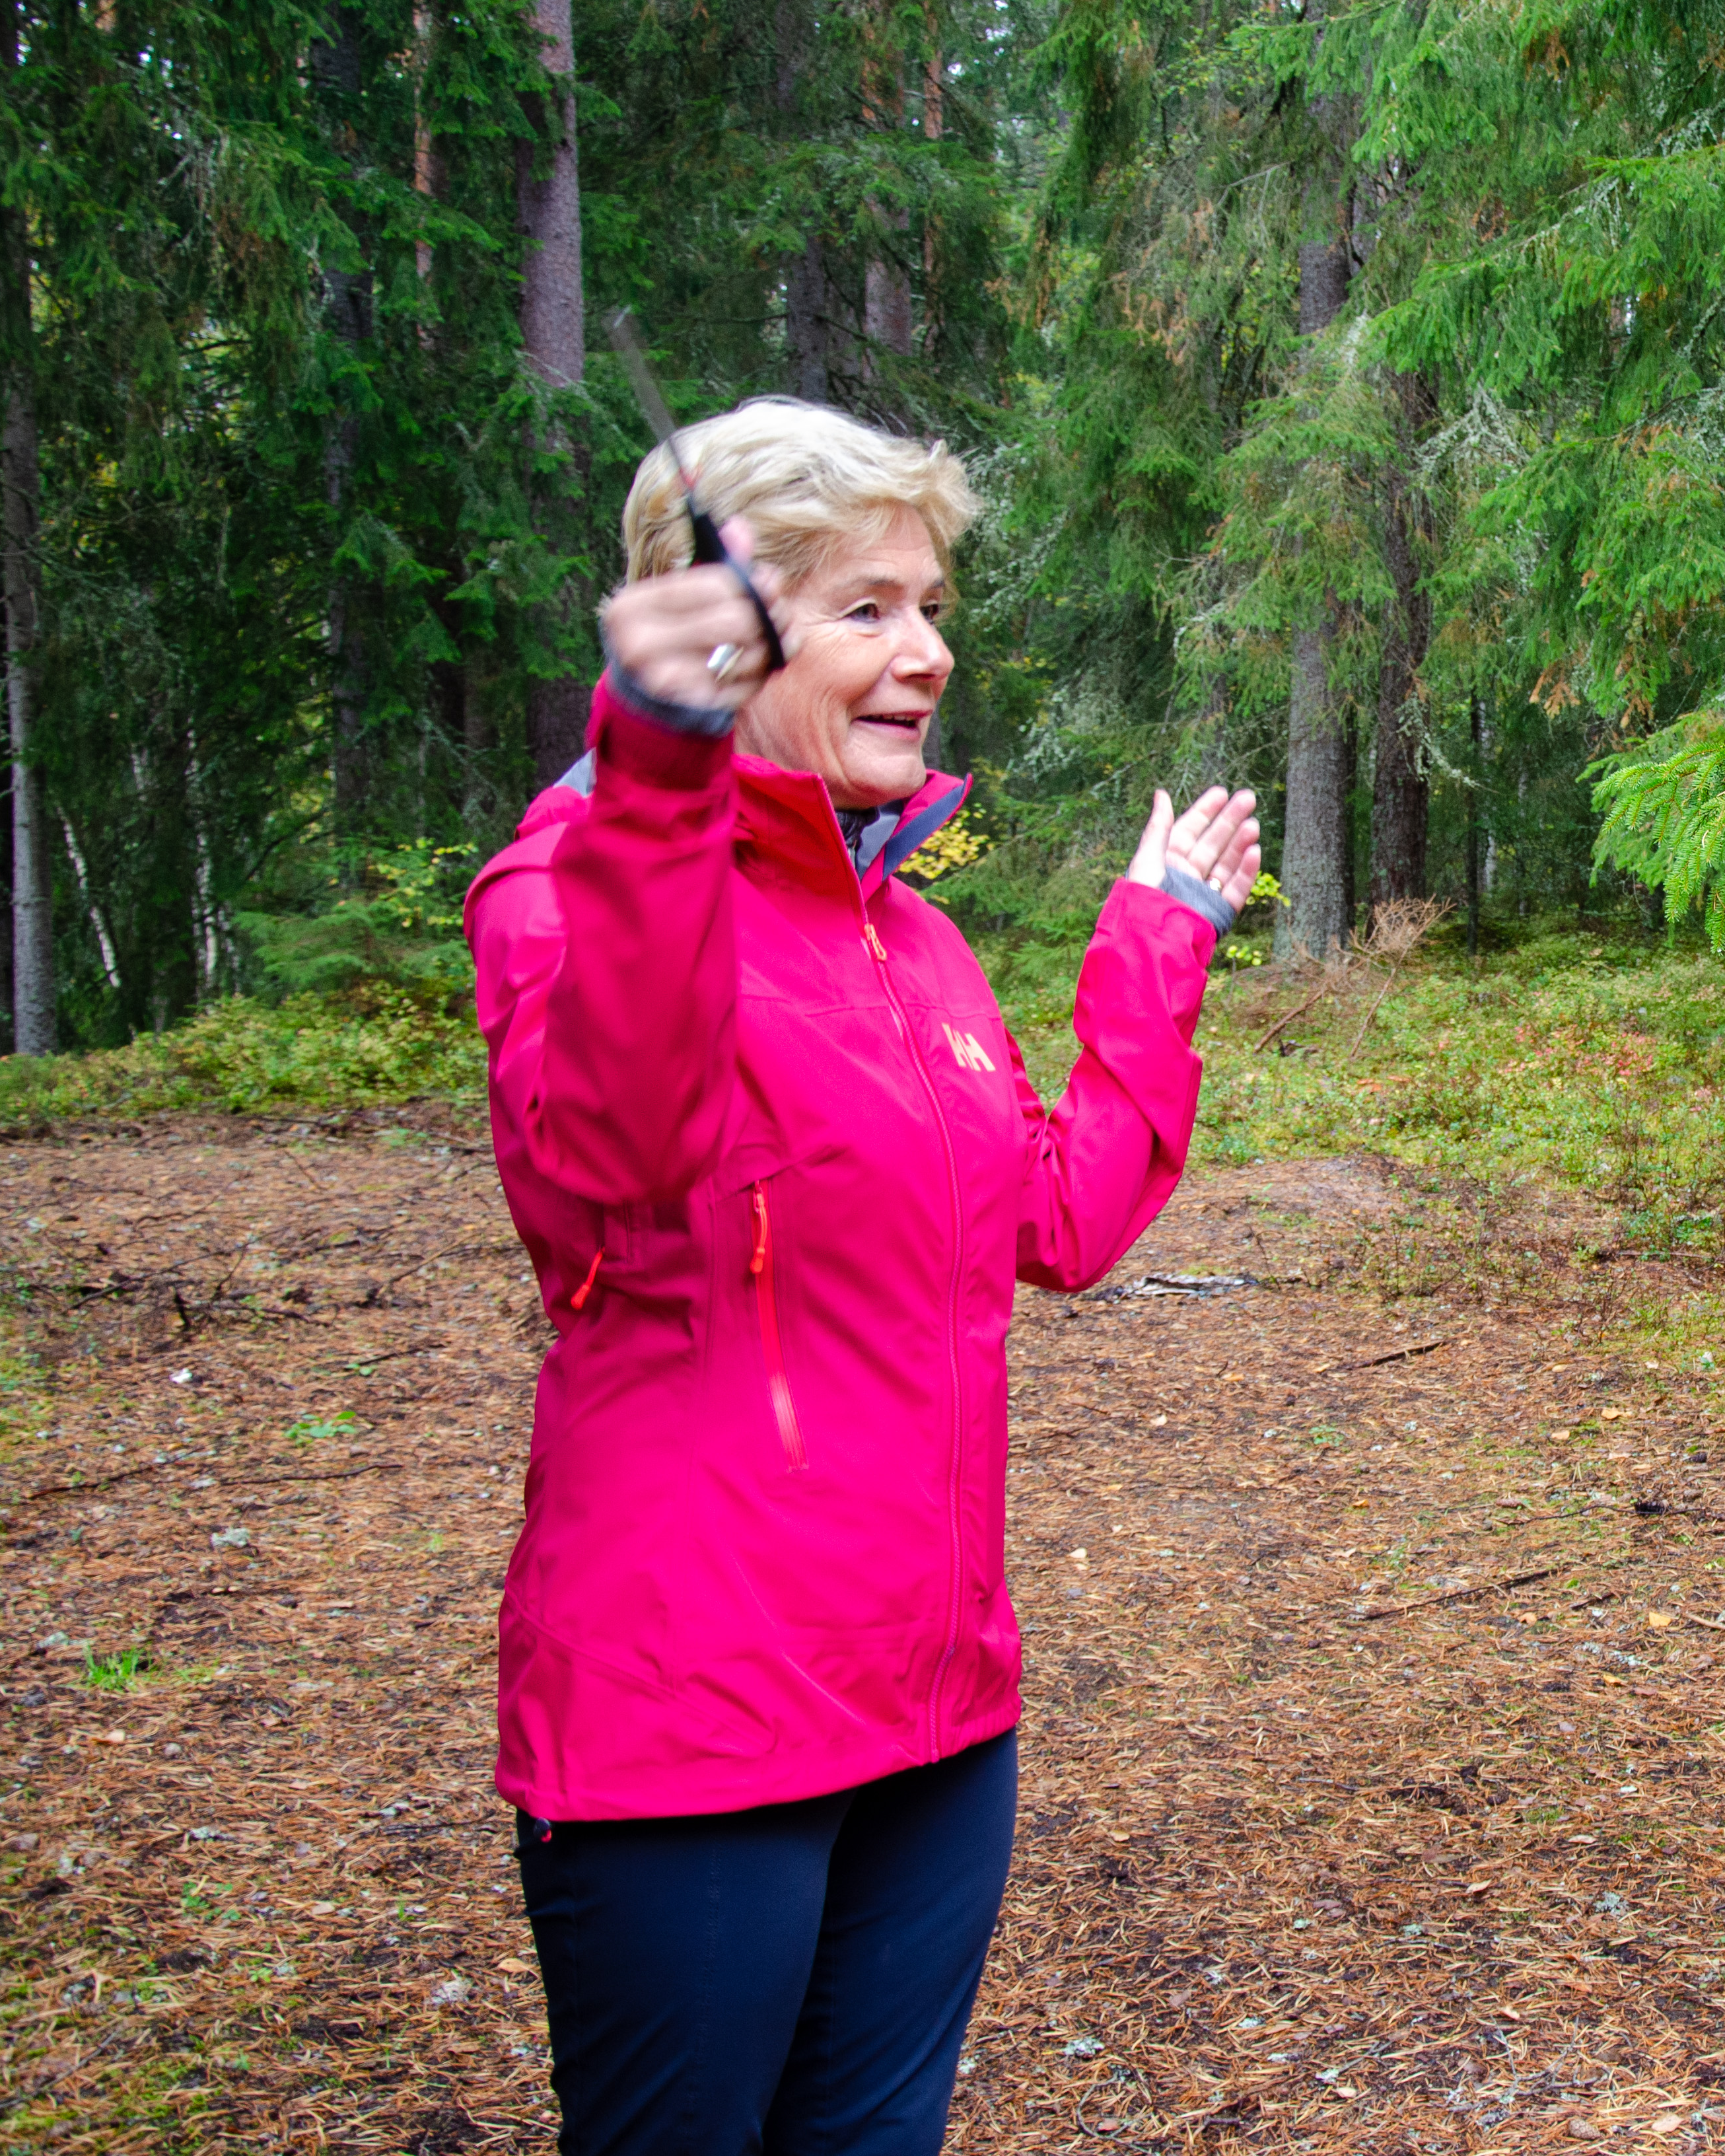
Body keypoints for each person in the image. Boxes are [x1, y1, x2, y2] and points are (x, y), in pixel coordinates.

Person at [462, 396, 1259, 2155]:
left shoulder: (908, 928)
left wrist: (1158, 940)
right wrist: (659, 776)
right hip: (699, 1743)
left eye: (931, 603)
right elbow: (613, 1156)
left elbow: (1057, 1221)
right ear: (725, 635)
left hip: (938, 1724)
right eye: (870, 610)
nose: (932, 650)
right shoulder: (569, 892)